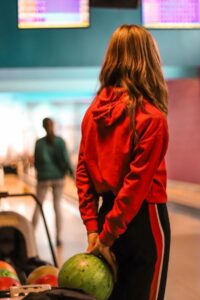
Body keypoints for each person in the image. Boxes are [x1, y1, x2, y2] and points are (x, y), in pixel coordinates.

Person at [76, 24, 170, 300]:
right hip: (144, 221)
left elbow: (83, 173)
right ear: (150, 60)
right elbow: (135, 187)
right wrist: (106, 236)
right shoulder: (152, 118)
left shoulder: (92, 114)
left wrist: (95, 229)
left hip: (107, 218)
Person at [32, 117, 74, 247]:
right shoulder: (60, 141)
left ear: (43, 127)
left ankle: (30, 234)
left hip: (43, 178)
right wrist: (73, 175)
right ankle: (58, 238)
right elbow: (66, 160)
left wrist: (42, 173)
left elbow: (36, 162)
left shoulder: (39, 143)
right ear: (53, 126)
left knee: (38, 206)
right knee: (57, 207)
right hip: (58, 178)